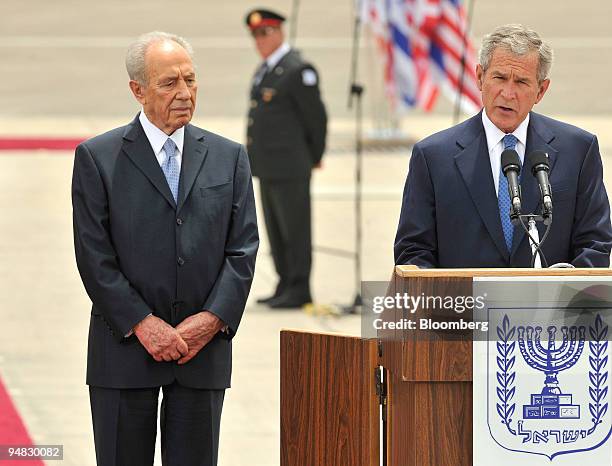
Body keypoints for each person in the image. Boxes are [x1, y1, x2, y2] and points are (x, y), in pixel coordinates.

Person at [72, 31, 258, 466]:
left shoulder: (228, 157)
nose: (184, 93)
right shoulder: (98, 157)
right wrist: (143, 324)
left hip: (202, 354)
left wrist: (210, 321)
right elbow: (94, 257)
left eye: (190, 81)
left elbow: (243, 248)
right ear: (138, 90)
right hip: (124, 352)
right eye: (169, 83)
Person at [394, 24, 612, 268]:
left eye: (521, 82)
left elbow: (595, 243)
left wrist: (566, 300)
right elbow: (413, 252)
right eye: (499, 78)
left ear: (541, 90)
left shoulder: (578, 151)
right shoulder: (433, 157)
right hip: (462, 304)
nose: (508, 93)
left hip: (550, 306)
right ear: (479, 77)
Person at [245, 8, 327, 308]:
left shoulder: (297, 69)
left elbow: (316, 119)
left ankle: (299, 287)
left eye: (265, 33)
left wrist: (313, 156)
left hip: (291, 165)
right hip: (267, 166)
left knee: (295, 229)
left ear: (279, 32)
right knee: (275, 230)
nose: (260, 41)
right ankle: (284, 282)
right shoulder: (265, 69)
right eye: (255, 35)